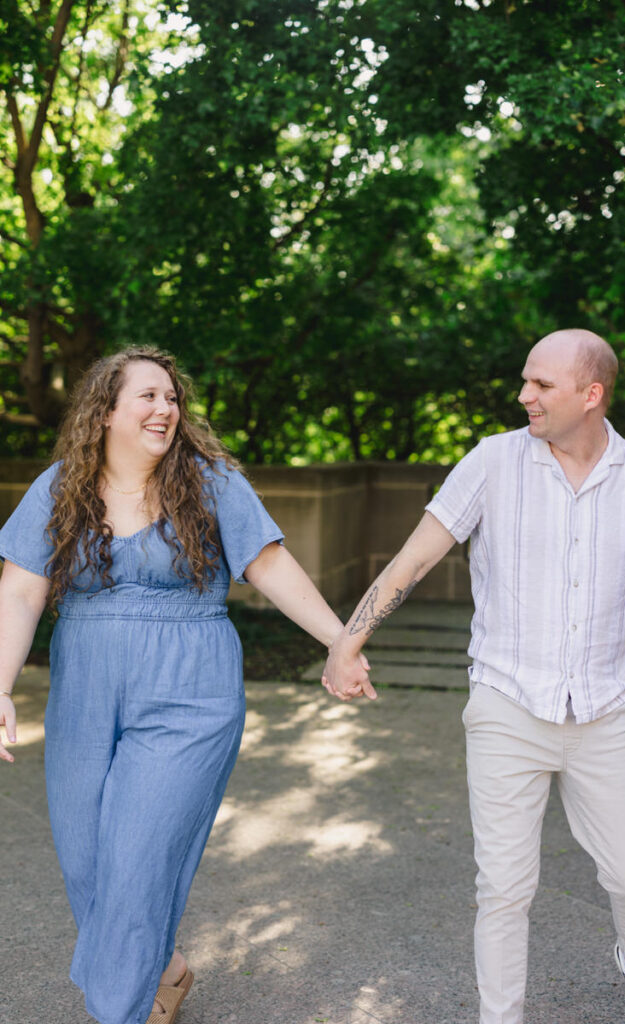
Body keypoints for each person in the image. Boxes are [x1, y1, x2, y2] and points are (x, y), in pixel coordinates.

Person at [323, 328, 625, 1024]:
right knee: (505, 889)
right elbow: (413, 560)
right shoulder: (491, 463)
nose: (523, 395)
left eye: (540, 384)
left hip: (604, 710)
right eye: (525, 380)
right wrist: (346, 642)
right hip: (506, 705)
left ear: (591, 393)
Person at [0, 346, 369, 1024]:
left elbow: (268, 565)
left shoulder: (211, 484)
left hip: (189, 689)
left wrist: (339, 640)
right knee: (88, 864)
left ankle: (120, 1009)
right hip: (84, 690)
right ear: (105, 411)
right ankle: (164, 968)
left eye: (171, 398)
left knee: (136, 861)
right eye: (148, 396)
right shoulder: (59, 488)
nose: (165, 409)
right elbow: (20, 594)